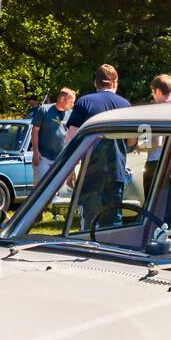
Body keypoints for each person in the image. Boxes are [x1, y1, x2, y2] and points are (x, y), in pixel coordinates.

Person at [65, 63, 132, 225]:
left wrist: (70, 169)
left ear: (96, 83)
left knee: (89, 221)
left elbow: (71, 139)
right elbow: (132, 140)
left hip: (91, 171)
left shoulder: (84, 102)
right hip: (116, 169)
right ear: (115, 82)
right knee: (114, 222)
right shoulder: (125, 105)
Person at [142, 73, 171, 194]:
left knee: (152, 204)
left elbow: (151, 143)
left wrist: (137, 145)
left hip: (155, 164)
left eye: (153, 91)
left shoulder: (152, 113)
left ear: (157, 91)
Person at [31, 87, 75, 183]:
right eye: (71, 102)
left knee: (57, 192)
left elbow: (72, 135)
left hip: (61, 159)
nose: (73, 104)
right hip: (43, 157)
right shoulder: (44, 110)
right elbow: (34, 131)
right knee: (42, 189)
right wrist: (35, 151)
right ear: (63, 99)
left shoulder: (70, 114)